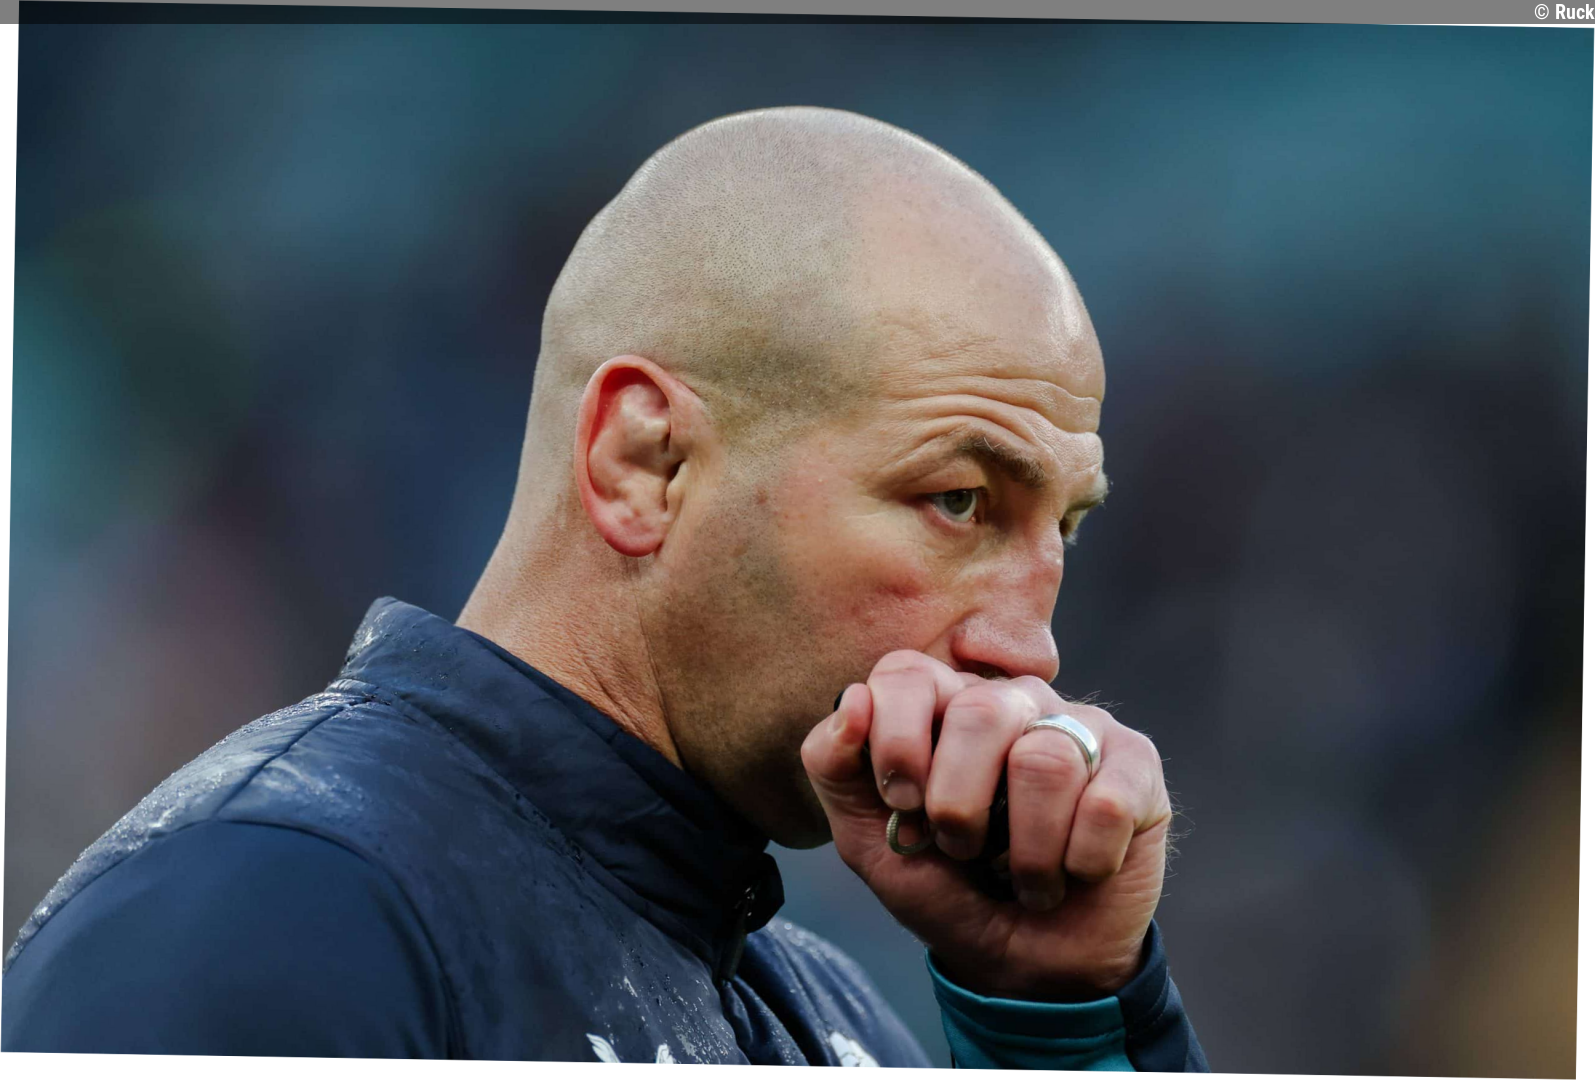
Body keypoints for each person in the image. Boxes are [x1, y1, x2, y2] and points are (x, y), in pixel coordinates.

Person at [1, 106, 1207, 1069]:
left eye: (1062, 529)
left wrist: (1059, 1019)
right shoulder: (271, 910)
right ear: (645, 463)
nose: (1029, 652)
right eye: (957, 500)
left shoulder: (831, 1016)